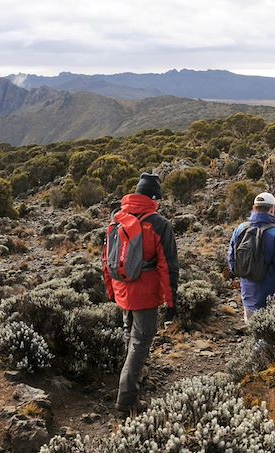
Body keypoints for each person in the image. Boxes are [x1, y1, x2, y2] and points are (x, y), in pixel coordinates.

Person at [103, 173, 179, 415]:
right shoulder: (159, 224)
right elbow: (168, 267)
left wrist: (110, 290)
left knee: (129, 334)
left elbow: (105, 260)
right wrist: (171, 301)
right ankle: (126, 400)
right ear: (154, 198)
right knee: (140, 341)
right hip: (144, 293)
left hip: (122, 289)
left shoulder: (117, 219)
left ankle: (132, 379)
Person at [227, 192, 275, 321]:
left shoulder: (240, 229)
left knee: (253, 331)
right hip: (271, 297)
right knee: (269, 334)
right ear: (271, 209)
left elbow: (232, 260)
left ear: (254, 208)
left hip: (247, 294)